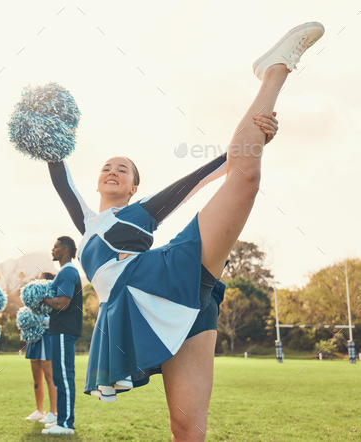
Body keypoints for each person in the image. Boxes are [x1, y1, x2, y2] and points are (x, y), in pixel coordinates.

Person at [46, 23, 324, 440]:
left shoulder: (142, 211)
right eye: (107, 166)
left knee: (245, 177)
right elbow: (58, 173)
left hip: (165, 276)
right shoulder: (86, 223)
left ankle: (276, 69)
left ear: (134, 187)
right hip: (131, 306)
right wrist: (45, 121)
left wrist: (257, 138)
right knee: (187, 429)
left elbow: (209, 172)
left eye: (124, 168)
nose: (112, 170)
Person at [41, 237, 83, 435]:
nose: (53, 249)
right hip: (59, 331)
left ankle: (66, 424)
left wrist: (41, 296)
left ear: (65, 250)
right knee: (59, 377)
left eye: (55, 246)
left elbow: (62, 303)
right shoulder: (64, 272)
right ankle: (61, 419)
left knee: (65, 376)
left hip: (64, 330)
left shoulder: (67, 272)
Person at [24, 272, 58, 424]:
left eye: (41, 281)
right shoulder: (34, 302)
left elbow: (56, 320)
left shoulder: (54, 300)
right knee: (36, 378)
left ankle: (52, 412)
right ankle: (39, 410)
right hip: (34, 340)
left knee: (50, 377)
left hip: (47, 339)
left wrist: (40, 320)